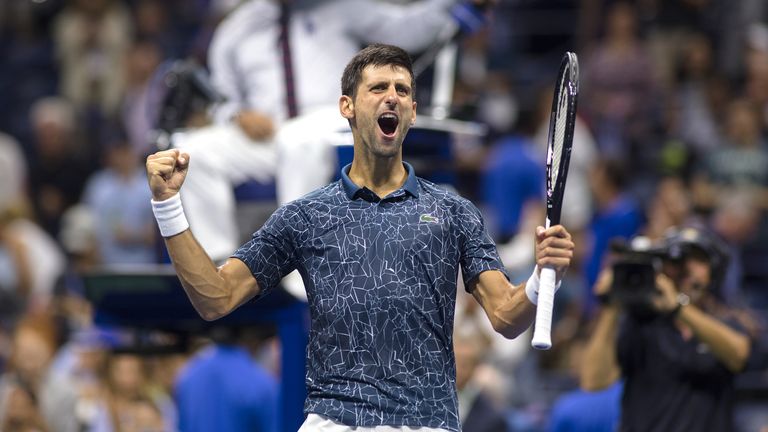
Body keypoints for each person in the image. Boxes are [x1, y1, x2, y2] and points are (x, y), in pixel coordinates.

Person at [145, 44, 574, 432]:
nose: (393, 97)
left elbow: (505, 317)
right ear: (347, 107)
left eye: (403, 91)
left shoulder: (455, 212)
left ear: (412, 111)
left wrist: (539, 277)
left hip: (426, 424)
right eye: (379, 88)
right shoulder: (305, 216)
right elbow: (215, 298)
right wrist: (167, 205)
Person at [580, 225, 764, 432]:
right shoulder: (641, 323)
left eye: (697, 260)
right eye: (676, 259)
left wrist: (678, 306)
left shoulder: (725, 324)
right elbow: (594, 381)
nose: (686, 268)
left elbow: (739, 355)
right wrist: (611, 307)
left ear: (714, 271)